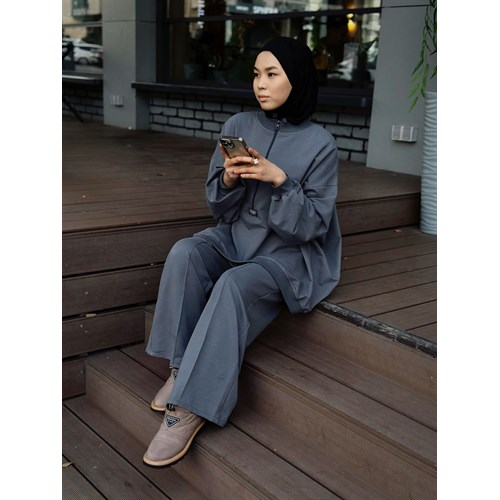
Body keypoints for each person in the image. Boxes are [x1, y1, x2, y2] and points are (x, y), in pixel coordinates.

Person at [143, 36, 342, 467]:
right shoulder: (239, 124)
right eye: (256, 74)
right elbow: (218, 206)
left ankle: (190, 406)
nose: (260, 84)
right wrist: (230, 179)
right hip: (237, 235)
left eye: (272, 74)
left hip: (288, 255)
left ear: (297, 79)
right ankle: (181, 369)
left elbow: (311, 226)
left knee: (234, 284)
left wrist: (279, 180)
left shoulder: (321, 143)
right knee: (184, 252)